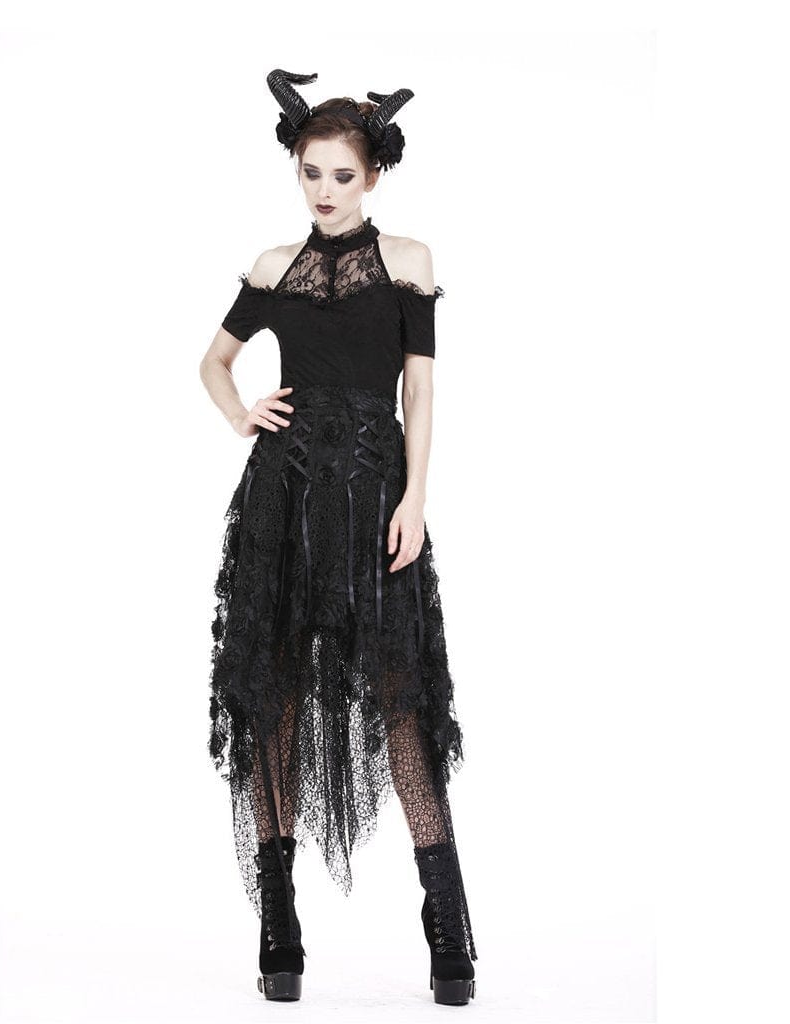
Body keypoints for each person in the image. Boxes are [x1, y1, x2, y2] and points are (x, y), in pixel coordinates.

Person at [199, 69, 478, 1005]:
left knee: (402, 698)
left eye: (342, 176)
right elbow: (213, 362)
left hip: (375, 498)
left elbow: (420, 388)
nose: (323, 190)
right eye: (310, 173)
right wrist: (241, 412)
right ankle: (279, 923)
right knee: (274, 695)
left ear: (374, 176)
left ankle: (447, 923)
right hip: (282, 499)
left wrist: (416, 496)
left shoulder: (408, 261)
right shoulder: (273, 265)